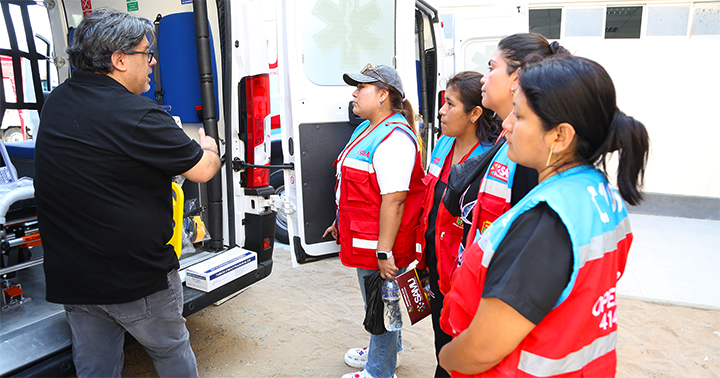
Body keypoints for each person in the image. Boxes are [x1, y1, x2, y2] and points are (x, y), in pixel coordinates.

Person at [34, 7, 220, 378]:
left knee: (95, 365)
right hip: (135, 279)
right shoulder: (139, 114)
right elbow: (202, 169)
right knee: (170, 351)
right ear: (119, 60)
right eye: (146, 54)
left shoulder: (56, 100)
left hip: (74, 276)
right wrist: (210, 145)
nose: (152, 63)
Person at [438, 54, 650, 376]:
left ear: (560, 136)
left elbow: (482, 349)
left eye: (519, 116)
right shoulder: (594, 189)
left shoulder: (547, 222)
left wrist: (447, 357)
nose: (506, 124)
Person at [322, 64, 425, 378]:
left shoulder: (395, 137)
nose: (354, 93)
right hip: (364, 236)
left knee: (382, 308)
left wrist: (384, 253)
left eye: (361, 88)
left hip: (382, 245)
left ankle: (379, 371)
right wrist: (339, 221)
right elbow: (355, 186)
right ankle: (387, 351)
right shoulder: (365, 129)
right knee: (378, 303)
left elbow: (394, 202)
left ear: (383, 95)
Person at [442, 33, 569, 260]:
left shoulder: (529, 151)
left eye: (491, 68)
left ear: (517, 78)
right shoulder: (505, 137)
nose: (483, 78)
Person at [416, 71, 501, 377]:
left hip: (464, 276)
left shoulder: (491, 159)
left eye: (449, 104)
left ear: (475, 113)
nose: (441, 111)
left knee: (461, 350)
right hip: (436, 266)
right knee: (441, 340)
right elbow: (429, 201)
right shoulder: (442, 145)